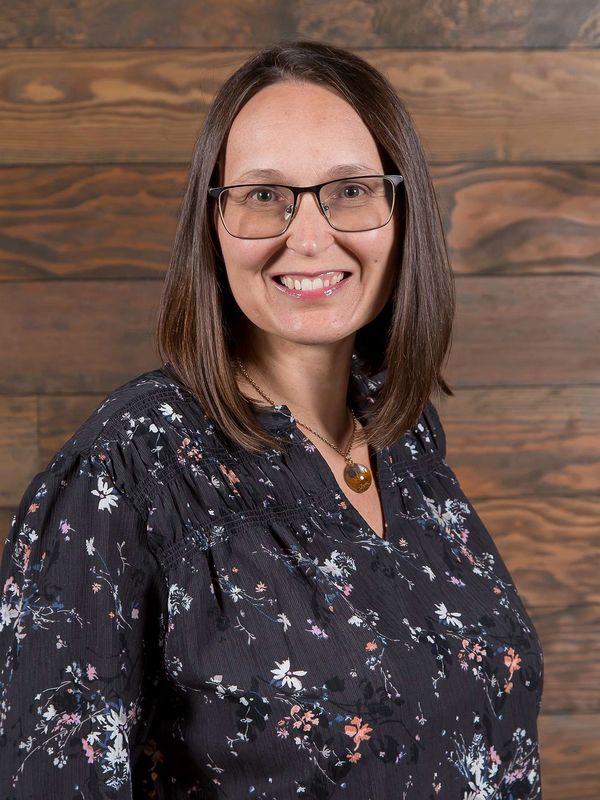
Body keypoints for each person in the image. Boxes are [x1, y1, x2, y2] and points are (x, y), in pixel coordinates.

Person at [0, 40, 544, 799]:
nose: (311, 236)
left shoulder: (407, 436)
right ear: (212, 224)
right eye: (264, 196)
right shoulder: (125, 472)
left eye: (350, 190)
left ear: (402, 209)